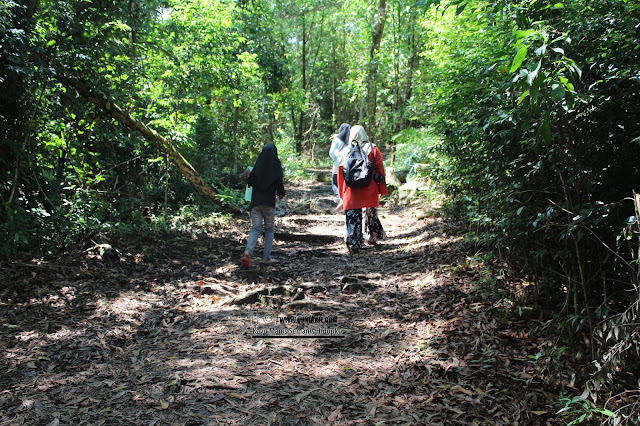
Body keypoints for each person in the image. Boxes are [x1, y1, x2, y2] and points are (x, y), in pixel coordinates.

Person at [337, 125, 388, 253]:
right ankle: (373, 236)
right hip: (369, 187)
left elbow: (340, 173)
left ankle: (354, 243)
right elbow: (380, 170)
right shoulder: (372, 148)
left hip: (351, 189)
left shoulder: (345, 151)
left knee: (353, 217)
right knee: (370, 212)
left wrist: (342, 193)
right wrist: (382, 189)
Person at [241, 143, 285, 268]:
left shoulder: (257, 166)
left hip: (255, 203)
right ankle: (266, 258)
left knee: (256, 228)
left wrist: (247, 176)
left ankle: (247, 252)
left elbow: (250, 183)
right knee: (269, 229)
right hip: (269, 204)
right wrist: (281, 193)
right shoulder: (276, 166)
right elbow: (279, 183)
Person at [329, 123, 351, 212]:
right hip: (348, 164)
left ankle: (340, 199)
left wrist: (336, 158)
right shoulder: (351, 139)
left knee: (335, 182)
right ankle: (346, 200)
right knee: (345, 183)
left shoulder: (337, 139)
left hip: (338, 163)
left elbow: (331, 153)